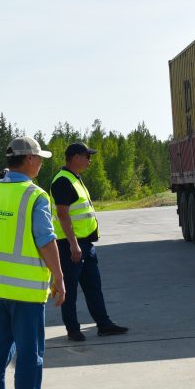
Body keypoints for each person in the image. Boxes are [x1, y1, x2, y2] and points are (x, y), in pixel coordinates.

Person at [0, 136, 65, 389]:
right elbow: (46, 241)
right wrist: (59, 277)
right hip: (25, 290)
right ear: (27, 159)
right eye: (39, 158)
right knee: (30, 354)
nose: (41, 163)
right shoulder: (35, 196)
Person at [50, 142, 128, 341]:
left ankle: (104, 324)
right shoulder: (62, 181)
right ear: (75, 157)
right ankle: (73, 329)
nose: (90, 160)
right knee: (71, 290)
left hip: (86, 245)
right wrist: (73, 244)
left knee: (94, 287)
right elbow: (62, 214)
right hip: (71, 245)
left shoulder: (76, 179)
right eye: (87, 156)